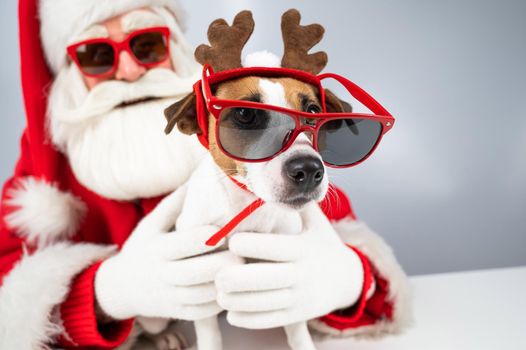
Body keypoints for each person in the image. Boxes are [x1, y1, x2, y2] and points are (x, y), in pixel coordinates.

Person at [0, 0, 411, 349]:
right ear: (70, 73)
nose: (128, 70)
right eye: (97, 55)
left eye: (146, 45)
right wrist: (106, 292)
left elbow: (347, 240)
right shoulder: (44, 171)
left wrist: (351, 279)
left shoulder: (254, 114)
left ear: (174, 48)